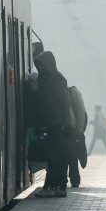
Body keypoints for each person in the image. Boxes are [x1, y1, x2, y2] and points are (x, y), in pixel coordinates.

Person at [31, 51, 73, 199]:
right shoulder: (44, 80)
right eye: (38, 66)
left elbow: (65, 103)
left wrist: (67, 124)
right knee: (53, 157)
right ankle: (54, 186)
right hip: (48, 122)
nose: (40, 69)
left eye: (42, 65)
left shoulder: (58, 80)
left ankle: (56, 186)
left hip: (57, 123)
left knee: (55, 157)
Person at [67, 85, 88, 188]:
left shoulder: (72, 92)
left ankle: (75, 179)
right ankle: (71, 179)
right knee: (69, 156)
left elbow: (80, 110)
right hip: (65, 128)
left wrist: (79, 127)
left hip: (73, 129)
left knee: (72, 156)